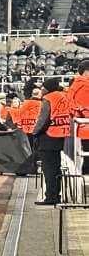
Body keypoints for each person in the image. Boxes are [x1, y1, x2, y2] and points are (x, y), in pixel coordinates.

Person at [32, 77, 73, 206]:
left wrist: (35, 132)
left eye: (43, 87)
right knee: (56, 168)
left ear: (47, 88)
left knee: (48, 169)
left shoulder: (48, 99)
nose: (41, 89)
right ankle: (56, 195)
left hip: (48, 136)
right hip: (63, 135)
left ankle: (51, 197)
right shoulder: (64, 96)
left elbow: (43, 119)